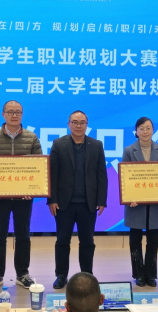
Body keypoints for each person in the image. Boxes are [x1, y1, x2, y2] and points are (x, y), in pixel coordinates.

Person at [0, 100, 42, 289]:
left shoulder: (32, 137)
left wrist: (32, 189)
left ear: (22, 114)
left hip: (24, 197)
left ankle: (22, 274)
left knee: (23, 235)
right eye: (10, 112)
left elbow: (39, 165)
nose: (14, 115)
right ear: (3, 114)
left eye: (18, 112)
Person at [48, 110, 108, 289]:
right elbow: (52, 173)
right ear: (69, 124)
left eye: (82, 122)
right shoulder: (59, 144)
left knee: (87, 242)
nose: (78, 125)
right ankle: (61, 275)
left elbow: (101, 175)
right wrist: (51, 199)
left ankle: (87, 275)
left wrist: (102, 200)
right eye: (75, 122)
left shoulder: (96, 145)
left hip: (88, 203)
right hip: (63, 203)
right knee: (62, 241)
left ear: (87, 125)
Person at [122, 117, 158, 287]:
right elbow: (125, 177)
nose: (145, 131)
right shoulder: (129, 150)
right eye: (141, 128)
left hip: (155, 204)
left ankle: (150, 274)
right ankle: (138, 274)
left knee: (153, 240)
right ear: (136, 131)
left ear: (153, 130)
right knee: (135, 240)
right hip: (135, 204)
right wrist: (129, 197)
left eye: (148, 128)